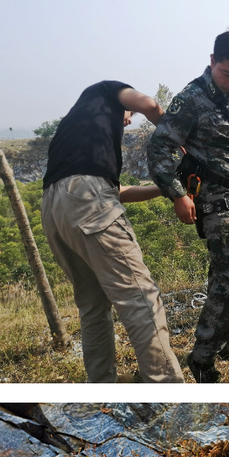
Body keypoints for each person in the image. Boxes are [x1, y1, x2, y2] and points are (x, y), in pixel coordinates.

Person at [40, 82, 184, 383]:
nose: (128, 120)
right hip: (86, 199)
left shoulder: (80, 132)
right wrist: (180, 142)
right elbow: (150, 106)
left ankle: (102, 389)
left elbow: (115, 191)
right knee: (140, 298)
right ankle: (167, 389)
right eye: (127, 113)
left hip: (55, 208)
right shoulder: (106, 90)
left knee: (92, 304)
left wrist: (168, 189)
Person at [148, 28, 229, 383]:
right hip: (213, 198)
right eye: (225, 73)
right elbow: (159, 148)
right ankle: (202, 358)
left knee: (224, 275)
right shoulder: (191, 99)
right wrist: (177, 194)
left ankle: (220, 340)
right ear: (212, 61)